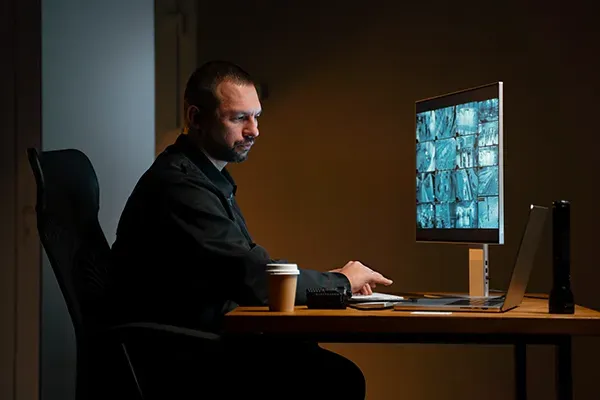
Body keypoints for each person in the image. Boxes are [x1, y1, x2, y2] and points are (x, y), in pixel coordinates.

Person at [107, 60, 393, 399]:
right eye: (239, 118)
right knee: (336, 378)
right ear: (196, 118)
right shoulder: (180, 187)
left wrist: (325, 285)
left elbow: (245, 272)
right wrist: (342, 282)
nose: (254, 130)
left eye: (256, 116)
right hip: (180, 357)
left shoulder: (206, 179)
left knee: (314, 359)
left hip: (198, 342)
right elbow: (255, 279)